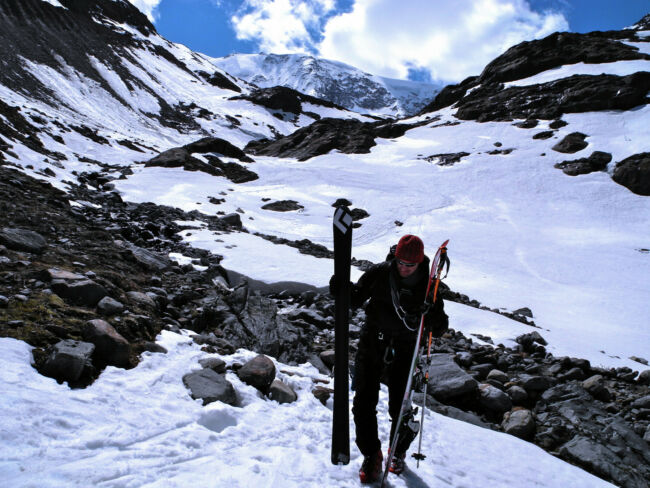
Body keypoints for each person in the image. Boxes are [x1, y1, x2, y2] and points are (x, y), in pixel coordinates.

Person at [331, 234, 448, 483]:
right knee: (363, 401)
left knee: (400, 407)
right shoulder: (380, 272)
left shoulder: (430, 286)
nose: (404, 269)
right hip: (373, 340)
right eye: (401, 263)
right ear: (395, 258)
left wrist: (432, 314)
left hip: (406, 347)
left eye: (410, 265)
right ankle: (372, 455)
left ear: (419, 263)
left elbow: (439, 327)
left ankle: (398, 450)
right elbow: (355, 298)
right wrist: (340, 288)